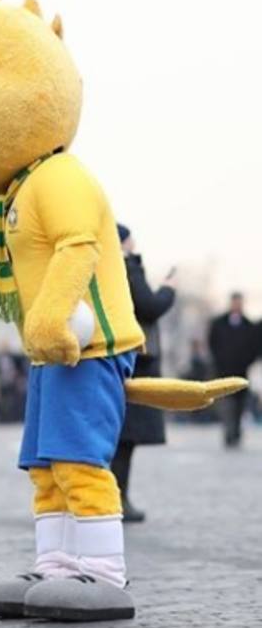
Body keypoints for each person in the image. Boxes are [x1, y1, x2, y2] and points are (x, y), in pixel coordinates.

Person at [111, 224, 175, 522]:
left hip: (120, 354)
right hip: (138, 357)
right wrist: (168, 288)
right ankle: (118, 499)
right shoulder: (126, 267)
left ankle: (114, 498)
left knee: (118, 435)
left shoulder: (108, 266)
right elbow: (149, 306)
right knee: (127, 436)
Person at [208, 292, 261, 447]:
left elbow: (255, 347)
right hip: (223, 371)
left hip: (242, 371)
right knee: (227, 404)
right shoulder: (218, 324)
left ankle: (236, 431)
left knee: (239, 404)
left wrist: (247, 362)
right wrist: (219, 362)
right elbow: (212, 344)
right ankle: (229, 432)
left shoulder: (249, 326)